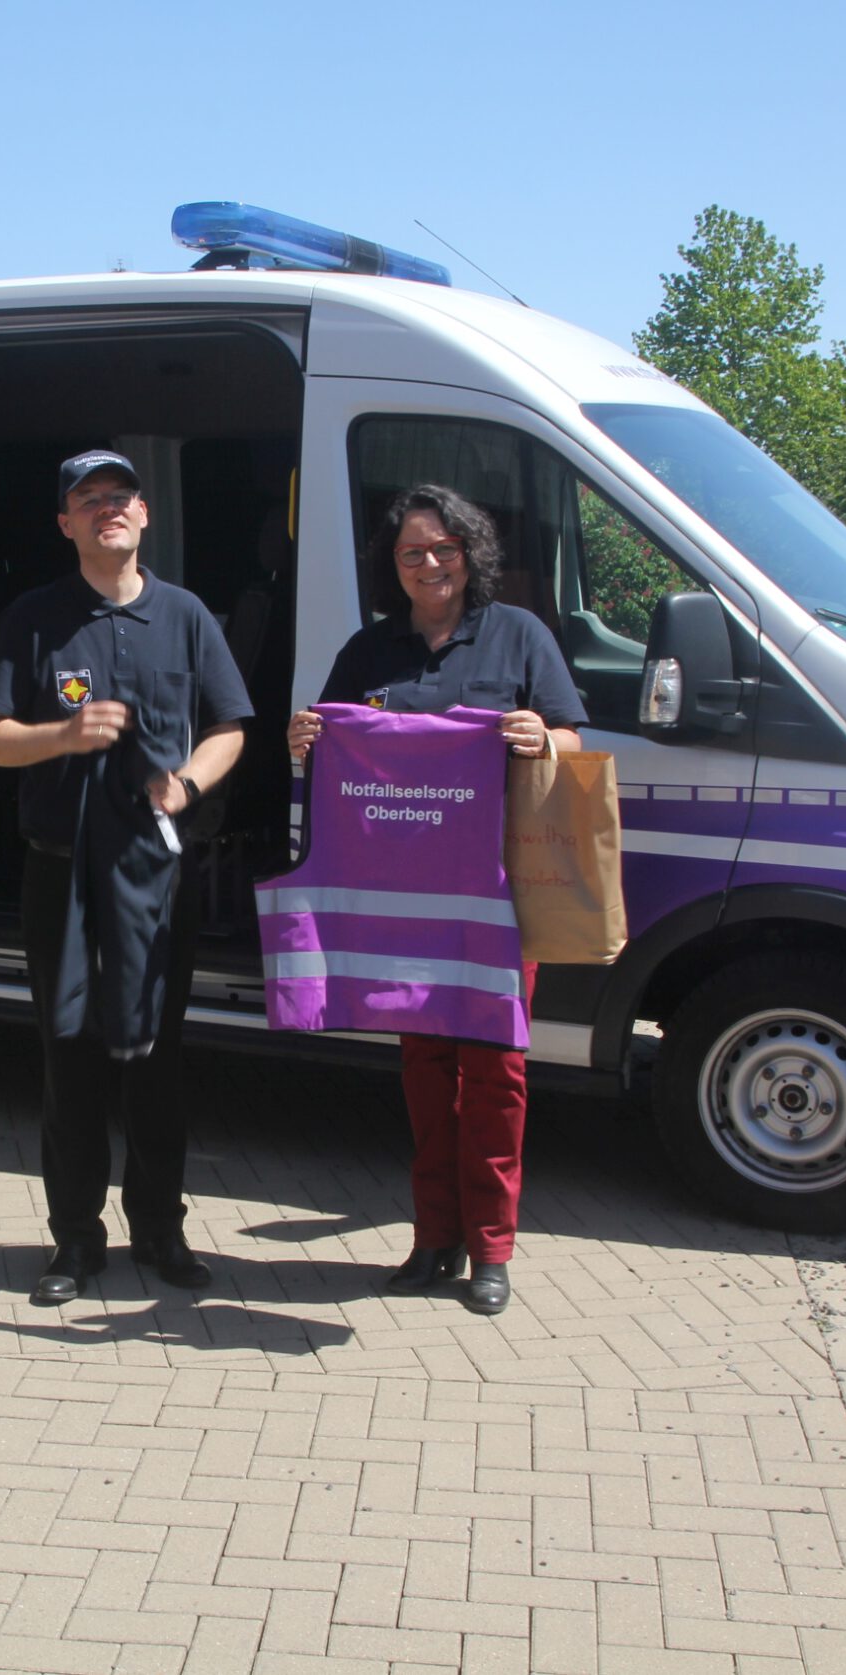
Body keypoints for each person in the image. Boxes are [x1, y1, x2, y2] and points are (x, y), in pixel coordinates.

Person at [286, 484, 586, 1316]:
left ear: (470, 553)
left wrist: (541, 736)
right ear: (393, 564)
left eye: (443, 549)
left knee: (495, 1073)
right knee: (425, 1071)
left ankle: (491, 1249)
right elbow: (329, 738)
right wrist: (302, 739)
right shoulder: (370, 648)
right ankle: (432, 1238)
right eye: (411, 551)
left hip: (496, 896)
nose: (429, 564)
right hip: (406, 900)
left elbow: (572, 736)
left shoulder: (518, 633)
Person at [0, 450, 252, 1306]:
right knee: (72, 1062)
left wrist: (187, 783)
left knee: (156, 1060)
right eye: (88, 499)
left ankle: (160, 1229)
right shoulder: (35, 618)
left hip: (154, 882)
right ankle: (74, 1240)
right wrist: (61, 734)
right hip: (63, 878)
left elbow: (232, 726)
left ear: (144, 513)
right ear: (66, 524)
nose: (107, 508)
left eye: (120, 495)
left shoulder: (186, 615)